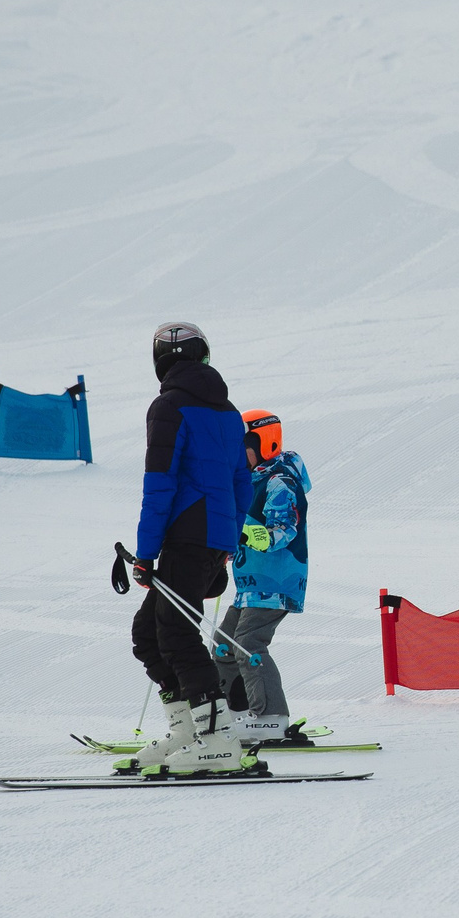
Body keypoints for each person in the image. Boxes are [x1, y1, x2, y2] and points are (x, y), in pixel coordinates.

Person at [118, 322, 260, 777]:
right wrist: (228, 539)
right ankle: (189, 729)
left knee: (175, 635)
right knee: (149, 633)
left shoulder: (169, 406)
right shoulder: (228, 410)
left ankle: (218, 741)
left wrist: (145, 553)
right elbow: (242, 481)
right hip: (210, 535)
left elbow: (159, 483)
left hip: (184, 533)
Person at [217, 408, 310, 747]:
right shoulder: (250, 481)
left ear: (264, 443)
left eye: (241, 446)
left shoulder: (280, 482)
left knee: (250, 645)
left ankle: (271, 717)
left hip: (276, 582)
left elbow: (284, 528)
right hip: (250, 585)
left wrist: (260, 536)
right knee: (224, 646)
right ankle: (235, 714)